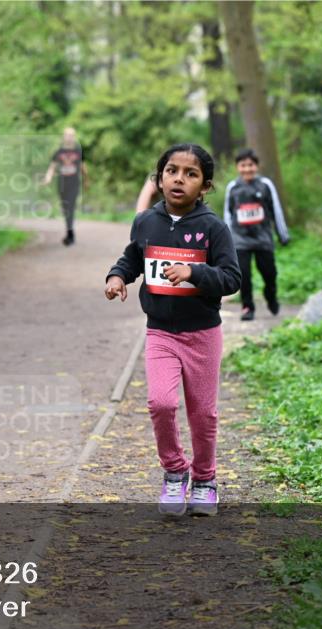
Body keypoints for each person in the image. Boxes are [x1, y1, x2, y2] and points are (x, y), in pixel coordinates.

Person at [104, 144, 240, 516]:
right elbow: (134, 256)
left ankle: (206, 480)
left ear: (205, 186)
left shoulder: (214, 229)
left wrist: (195, 273)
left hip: (202, 334)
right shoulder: (146, 221)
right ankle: (175, 473)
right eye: (172, 171)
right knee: (161, 403)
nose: (179, 178)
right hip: (160, 331)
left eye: (190, 173)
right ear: (160, 178)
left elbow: (231, 279)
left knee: (203, 413)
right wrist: (118, 276)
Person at [222, 148, 289, 321]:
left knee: (269, 273)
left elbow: (276, 210)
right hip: (240, 240)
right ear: (237, 167)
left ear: (256, 166)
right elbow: (228, 214)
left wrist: (282, 234)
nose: (247, 169)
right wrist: (226, 239)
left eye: (250, 165)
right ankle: (247, 307)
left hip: (263, 239)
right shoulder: (233, 187)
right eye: (243, 165)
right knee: (243, 275)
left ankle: (271, 296)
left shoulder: (266, 185)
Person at [43, 127, 88, 246]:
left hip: (74, 183)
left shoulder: (79, 151)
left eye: (71, 135)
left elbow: (83, 167)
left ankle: (70, 233)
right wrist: (48, 178)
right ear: (64, 137)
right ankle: (69, 230)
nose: (69, 137)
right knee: (65, 208)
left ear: (74, 137)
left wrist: (86, 180)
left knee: (71, 207)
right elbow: (52, 167)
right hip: (62, 183)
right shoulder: (59, 152)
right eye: (67, 135)